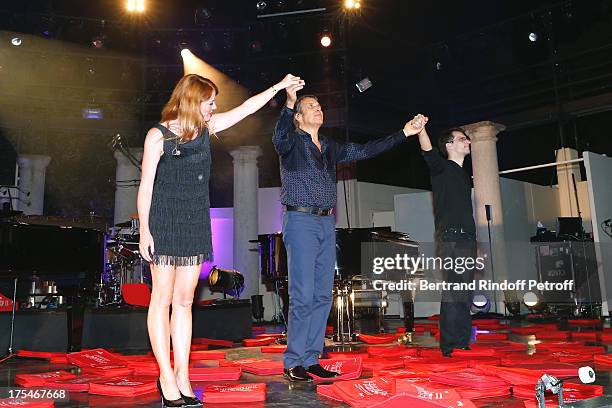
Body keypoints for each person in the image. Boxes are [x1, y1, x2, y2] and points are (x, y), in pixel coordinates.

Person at [138, 73, 304, 407]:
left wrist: (277, 85)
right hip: (164, 222)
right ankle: (165, 376)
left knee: (185, 301)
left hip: (196, 222)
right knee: (162, 299)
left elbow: (245, 109)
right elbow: (145, 186)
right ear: (192, 100)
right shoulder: (158, 135)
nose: (214, 108)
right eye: (209, 102)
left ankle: (183, 374)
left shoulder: (206, 129)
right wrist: (145, 229)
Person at [273, 85, 427, 382]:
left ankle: (311, 357)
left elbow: (367, 149)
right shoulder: (290, 141)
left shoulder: (330, 146)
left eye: (320, 105)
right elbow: (278, 134)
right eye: (311, 106)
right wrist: (290, 101)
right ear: (299, 116)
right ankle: (293, 360)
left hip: (325, 223)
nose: (319, 108)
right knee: (302, 295)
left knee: (321, 295)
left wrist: (404, 133)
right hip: (301, 220)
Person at [409, 118, 476, 357]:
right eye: (462, 139)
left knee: (463, 292)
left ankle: (461, 342)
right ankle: (451, 345)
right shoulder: (442, 169)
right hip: (452, 239)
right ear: (449, 145)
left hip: (466, 240)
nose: (467, 142)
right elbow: (427, 150)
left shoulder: (462, 175)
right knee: (455, 292)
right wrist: (422, 129)